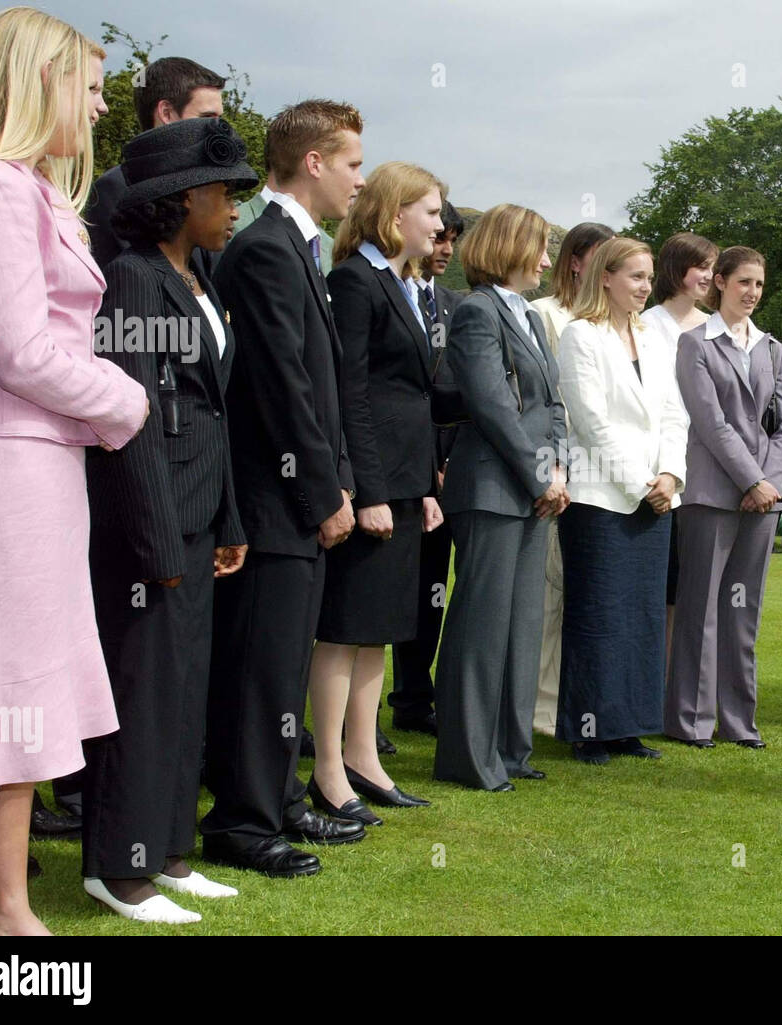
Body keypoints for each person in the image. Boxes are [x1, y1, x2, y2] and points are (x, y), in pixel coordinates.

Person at [0, 8, 149, 935]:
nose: (101, 108)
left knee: (27, 693)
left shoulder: (29, 190)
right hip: (1, 465)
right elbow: (23, 351)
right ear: (36, 82)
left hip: (42, 465)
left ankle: (12, 905)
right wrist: (126, 400)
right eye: (91, 87)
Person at [82, 118, 257, 923]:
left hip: (197, 513)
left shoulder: (198, 278)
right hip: (148, 523)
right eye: (223, 195)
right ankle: (120, 867)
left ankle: (170, 849)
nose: (232, 209)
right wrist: (156, 539)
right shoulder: (132, 279)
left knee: (185, 689)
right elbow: (135, 419)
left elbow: (210, 409)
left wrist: (227, 517)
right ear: (183, 199)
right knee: (144, 691)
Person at [202, 100, 368, 876]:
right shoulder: (265, 249)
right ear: (312, 162)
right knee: (260, 669)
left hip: (295, 504)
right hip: (273, 505)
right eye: (353, 165)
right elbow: (281, 388)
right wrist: (322, 494)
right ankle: (240, 823)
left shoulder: (297, 249)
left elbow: (320, 387)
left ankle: (279, 799)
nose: (359, 183)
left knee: (283, 664)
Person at [307, 162, 445, 823]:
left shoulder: (400, 284)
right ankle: (328, 768)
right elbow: (350, 393)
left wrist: (420, 486)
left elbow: (412, 394)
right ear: (395, 215)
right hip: (371, 485)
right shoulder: (353, 281)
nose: (441, 226)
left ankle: (364, 755)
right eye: (432, 212)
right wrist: (366, 489)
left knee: (378, 631)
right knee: (344, 628)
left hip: (403, 484)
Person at [433, 204, 568, 791]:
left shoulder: (532, 320)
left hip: (537, 488)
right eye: (539, 248)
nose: (545, 260)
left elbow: (554, 404)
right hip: (491, 488)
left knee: (521, 624)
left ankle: (511, 750)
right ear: (511, 248)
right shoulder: (475, 312)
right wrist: (542, 477)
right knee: (482, 626)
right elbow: (491, 405)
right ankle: (470, 758)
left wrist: (558, 468)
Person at [556, 238, 689, 763]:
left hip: (656, 496)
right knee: (599, 614)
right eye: (635, 276)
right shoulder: (580, 336)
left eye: (648, 277)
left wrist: (671, 475)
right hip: (601, 498)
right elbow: (590, 422)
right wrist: (642, 483)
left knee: (642, 616)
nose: (644, 286)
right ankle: (590, 729)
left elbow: (675, 413)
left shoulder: (653, 338)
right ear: (604, 278)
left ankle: (629, 726)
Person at [665, 246, 782, 749]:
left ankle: (740, 723)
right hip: (712, 493)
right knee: (700, 612)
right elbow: (710, 423)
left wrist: (771, 485)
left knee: (745, 612)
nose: (752, 293)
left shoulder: (773, 349)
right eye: (743, 282)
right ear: (719, 282)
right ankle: (691, 721)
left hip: (764, 498)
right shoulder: (693, 344)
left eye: (759, 284)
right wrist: (750, 481)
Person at [529, 221, 613, 736]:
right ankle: (540, 709)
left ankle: (576, 703)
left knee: (588, 597)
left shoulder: (619, 322)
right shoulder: (545, 315)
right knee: (548, 591)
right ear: (577, 261)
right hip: (559, 470)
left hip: (606, 481)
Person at [390, 200, 467, 736]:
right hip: (401, 471)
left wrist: (446, 464)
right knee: (397, 588)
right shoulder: (390, 293)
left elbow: (461, 392)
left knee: (434, 590)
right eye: (440, 237)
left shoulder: (457, 307)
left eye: (453, 240)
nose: (446, 248)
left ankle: (417, 698)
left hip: (449, 471)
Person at [641, 231, 717, 677]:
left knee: (694, 583)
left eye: (712, 266)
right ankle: (658, 676)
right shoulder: (648, 325)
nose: (708, 274)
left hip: (709, 466)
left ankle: (685, 679)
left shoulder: (712, 326)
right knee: (663, 582)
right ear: (676, 268)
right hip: (663, 466)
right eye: (699, 265)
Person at [84, 57, 226, 270]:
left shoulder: (209, 188)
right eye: (207, 117)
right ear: (166, 113)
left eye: (219, 119)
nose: (218, 129)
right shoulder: (116, 190)